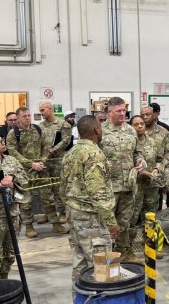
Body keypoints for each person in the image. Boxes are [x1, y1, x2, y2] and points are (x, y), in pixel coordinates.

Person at [60, 115, 119, 282]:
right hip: (91, 217)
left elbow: (62, 187)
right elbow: (98, 193)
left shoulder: (71, 152)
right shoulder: (94, 154)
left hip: (74, 213)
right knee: (103, 265)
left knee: (81, 261)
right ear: (96, 130)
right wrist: (111, 222)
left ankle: (80, 303)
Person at [99, 97, 144, 262]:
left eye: (124, 110)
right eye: (119, 111)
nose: (123, 113)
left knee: (126, 222)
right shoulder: (100, 131)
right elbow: (92, 157)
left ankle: (124, 253)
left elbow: (138, 153)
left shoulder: (131, 131)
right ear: (109, 112)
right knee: (107, 224)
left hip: (128, 186)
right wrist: (102, 164)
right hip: (109, 187)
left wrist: (141, 163)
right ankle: (106, 257)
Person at [0, 133, 29, 279]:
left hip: (12, 213)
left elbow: (25, 178)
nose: (3, 143)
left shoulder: (11, 161)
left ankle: (4, 279)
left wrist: (13, 177)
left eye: (2, 140)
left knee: (10, 253)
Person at [7, 107, 44, 238]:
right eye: (24, 116)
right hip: (24, 171)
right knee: (26, 200)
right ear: (18, 118)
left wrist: (42, 161)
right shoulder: (13, 134)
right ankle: (29, 226)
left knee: (48, 196)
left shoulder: (37, 129)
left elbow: (44, 146)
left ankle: (55, 221)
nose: (28, 118)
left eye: (29, 115)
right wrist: (31, 164)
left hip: (40, 168)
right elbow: (13, 153)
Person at [129, 115, 161, 252]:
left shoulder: (153, 141)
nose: (140, 126)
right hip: (136, 185)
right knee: (132, 215)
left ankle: (150, 244)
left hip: (151, 185)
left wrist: (156, 169)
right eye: (136, 124)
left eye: (141, 123)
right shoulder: (129, 143)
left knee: (150, 214)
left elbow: (160, 158)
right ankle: (127, 247)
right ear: (131, 127)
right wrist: (140, 172)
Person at [38, 102, 71, 232]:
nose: (41, 113)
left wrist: (53, 150)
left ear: (51, 110)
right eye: (40, 111)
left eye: (43, 110)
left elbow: (66, 140)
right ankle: (49, 213)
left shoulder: (63, 124)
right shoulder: (40, 126)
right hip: (44, 161)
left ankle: (62, 212)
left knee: (59, 187)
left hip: (57, 160)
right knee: (46, 189)